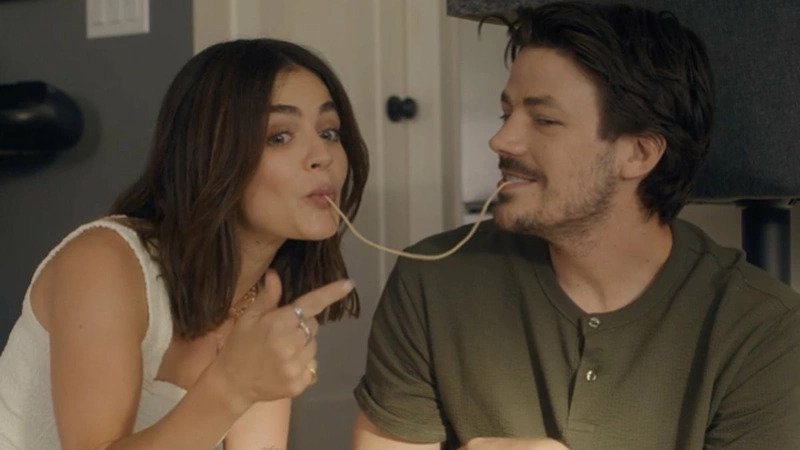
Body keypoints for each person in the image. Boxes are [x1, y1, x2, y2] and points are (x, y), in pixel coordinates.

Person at [351, 2, 800, 449]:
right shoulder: (430, 281)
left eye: (544, 120)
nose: (500, 140)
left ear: (639, 154)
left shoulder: (762, 328)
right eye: (506, 114)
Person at [0, 38, 369, 449]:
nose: (323, 155)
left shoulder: (263, 302)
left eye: (329, 132)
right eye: (279, 137)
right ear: (212, 154)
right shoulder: (103, 262)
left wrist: (242, 383)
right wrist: (233, 386)